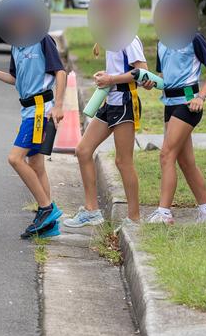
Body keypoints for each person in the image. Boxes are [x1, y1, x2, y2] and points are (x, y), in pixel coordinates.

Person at [0, 32, 66, 238]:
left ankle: (46, 208)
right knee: (36, 165)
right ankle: (49, 225)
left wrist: (59, 105)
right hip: (28, 110)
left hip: (40, 110)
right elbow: (15, 78)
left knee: (15, 158)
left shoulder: (42, 39)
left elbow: (60, 72)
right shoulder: (16, 45)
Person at [64, 37, 152, 229]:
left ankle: (134, 218)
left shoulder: (129, 38)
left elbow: (143, 72)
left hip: (125, 104)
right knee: (83, 150)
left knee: (123, 161)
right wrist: (107, 76)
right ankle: (91, 211)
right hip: (109, 101)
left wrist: (111, 79)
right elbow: (121, 70)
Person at [147, 32, 206, 224]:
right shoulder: (162, 41)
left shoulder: (194, 38)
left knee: (166, 155)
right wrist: (149, 82)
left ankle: (164, 213)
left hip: (188, 103)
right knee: (185, 161)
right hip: (169, 103)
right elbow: (165, 77)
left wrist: (201, 96)